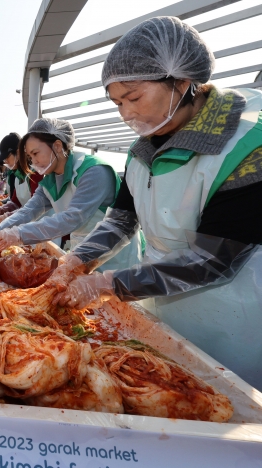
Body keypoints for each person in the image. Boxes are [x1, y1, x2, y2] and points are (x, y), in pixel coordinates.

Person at [47, 17, 262, 389]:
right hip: (157, 304)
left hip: (236, 321)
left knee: (218, 404)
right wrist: (76, 261)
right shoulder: (141, 150)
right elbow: (119, 222)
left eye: (133, 97)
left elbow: (212, 260)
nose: (126, 114)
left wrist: (107, 284)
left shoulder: (246, 145)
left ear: (181, 81)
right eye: (117, 102)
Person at [0, 117, 141, 272]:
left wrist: (18, 234)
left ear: (57, 146)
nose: (34, 162)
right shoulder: (50, 179)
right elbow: (28, 211)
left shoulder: (93, 171)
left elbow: (72, 218)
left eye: (36, 153)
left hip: (116, 258)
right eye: (30, 157)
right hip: (81, 254)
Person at [0, 133, 44, 219]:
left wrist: (7, 216)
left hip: (44, 225)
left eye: (7, 157)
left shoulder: (35, 174)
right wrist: (0, 211)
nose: (5, 161)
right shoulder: (18, 177)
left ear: (18, 152)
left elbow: (36, 207)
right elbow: (15, 202)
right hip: (30, 224)